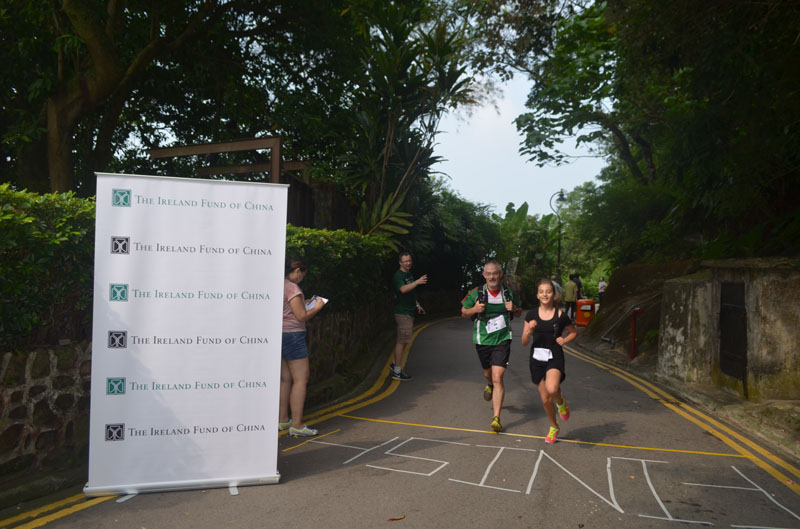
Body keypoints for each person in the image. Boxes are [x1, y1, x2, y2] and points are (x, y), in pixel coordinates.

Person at [461, 260, 521, 432]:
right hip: (483, 339)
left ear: (500, 274)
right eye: (489, 274)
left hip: (503, 338)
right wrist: (474, 310)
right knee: (488, 374)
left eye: (495, 273)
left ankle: (496, 418)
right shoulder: (476, 293)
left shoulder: (508, 293)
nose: (492, 277)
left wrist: (514, 308)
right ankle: (489, 384)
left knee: (498, 376)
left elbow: (518, 312)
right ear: (484, 275)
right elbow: (463, 312)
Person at [522, 279, 578, 443]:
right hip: (536, 358)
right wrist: (529, 331)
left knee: (552, 388)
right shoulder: (531, 315)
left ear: (554, 294)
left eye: (548, 291)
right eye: (541, 292)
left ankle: (561, 402)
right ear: (537, 295)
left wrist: (564, 340)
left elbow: (574, 332)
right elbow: (524, 342)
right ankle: (554, 427)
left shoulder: (561, 316)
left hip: (554, 355)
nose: (545, 294)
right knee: (545, 399)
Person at [279, 257, 326, 437]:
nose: (302, 279)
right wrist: (317, 306)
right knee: (301, 379)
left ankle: (283, 419)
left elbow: (289, 309)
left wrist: (305, 303)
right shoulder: (293, 288)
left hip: (280, 334)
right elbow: (301, 316)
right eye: (303, 275)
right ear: (298, 270)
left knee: (285, 379)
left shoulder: (279, 284)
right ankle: (297, 425)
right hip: (294, 335)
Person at [391, 252, 427, 380]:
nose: (408, 263)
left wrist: (417, 305)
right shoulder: (398, 275)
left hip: (409, 311)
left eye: (409, 260)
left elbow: (410, 292)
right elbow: (403, 289)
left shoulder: (408, 274)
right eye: (405, 261)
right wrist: (417, 282)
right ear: (400, 263)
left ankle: (395, 364)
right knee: (402, 341)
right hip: (403, 312)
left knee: (404, 340)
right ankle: (397, 371)